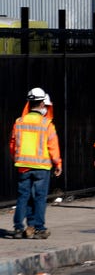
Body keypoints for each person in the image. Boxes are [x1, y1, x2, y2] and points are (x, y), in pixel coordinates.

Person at [10, 87, 62, 239]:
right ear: (42, 104)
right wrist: (57, 163)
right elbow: (53, 146)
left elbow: (13, 144)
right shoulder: (47, 124)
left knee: (23, 197)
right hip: (41, 167)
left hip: (23, 166)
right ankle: (39, 228)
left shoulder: (19, 122)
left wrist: (16, 158)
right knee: (39, 198)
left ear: (29, 103)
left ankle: (18, 228)